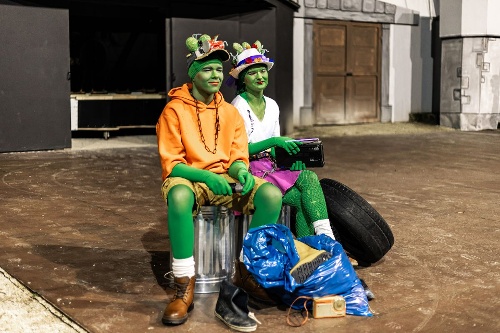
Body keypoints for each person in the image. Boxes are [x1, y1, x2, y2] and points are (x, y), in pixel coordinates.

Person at [156, 34, 283, 326]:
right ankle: (183, 286)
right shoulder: (174, 110)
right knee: (178, 197)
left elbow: (239, 155)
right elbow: (172, 165)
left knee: (271, 195)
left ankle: (246, 271)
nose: (215, 75)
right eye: (207, 69)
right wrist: (203, 176)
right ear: (193, 73)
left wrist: (240, 172)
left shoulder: (229, 112)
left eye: (218, 69)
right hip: (188, 177)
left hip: (224, 176)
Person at [228, 41, 335, 240]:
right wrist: (275, 142)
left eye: (262, 71)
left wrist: (293, 154)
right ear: (242, 79)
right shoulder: (238, 106)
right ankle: (326, 242)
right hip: (249, 169)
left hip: (272, 165)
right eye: (252, 73)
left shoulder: (272, 105)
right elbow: (241, 150)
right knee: (303, 195)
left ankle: (314, 244)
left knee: (307, 187)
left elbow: (276, 147)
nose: (259, 76)